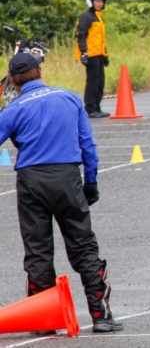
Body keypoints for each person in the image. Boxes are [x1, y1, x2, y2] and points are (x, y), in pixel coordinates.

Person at [0, 53, 123, 333]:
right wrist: (90, 182)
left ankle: (44, 320)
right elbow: (87, 145)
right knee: (83, 246)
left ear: (14, 82)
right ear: (39, 72)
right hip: (67, 178)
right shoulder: (68, 98)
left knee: (38, 251)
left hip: (31, 182)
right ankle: (100, 315)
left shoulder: (14, 108)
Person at [75, 0, 110, 118]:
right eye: (97, 1)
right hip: (91, 54)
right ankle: (90, 109)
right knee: (93, 82)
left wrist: (105, 54)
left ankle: (97, 107)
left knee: (100, 81)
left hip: (99, 54)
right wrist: (84, 52)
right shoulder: (86, 17)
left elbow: (100, 38)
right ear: (91, 1)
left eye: (102, 1)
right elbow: (81, 36)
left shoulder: (99, 18)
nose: (100, 4)